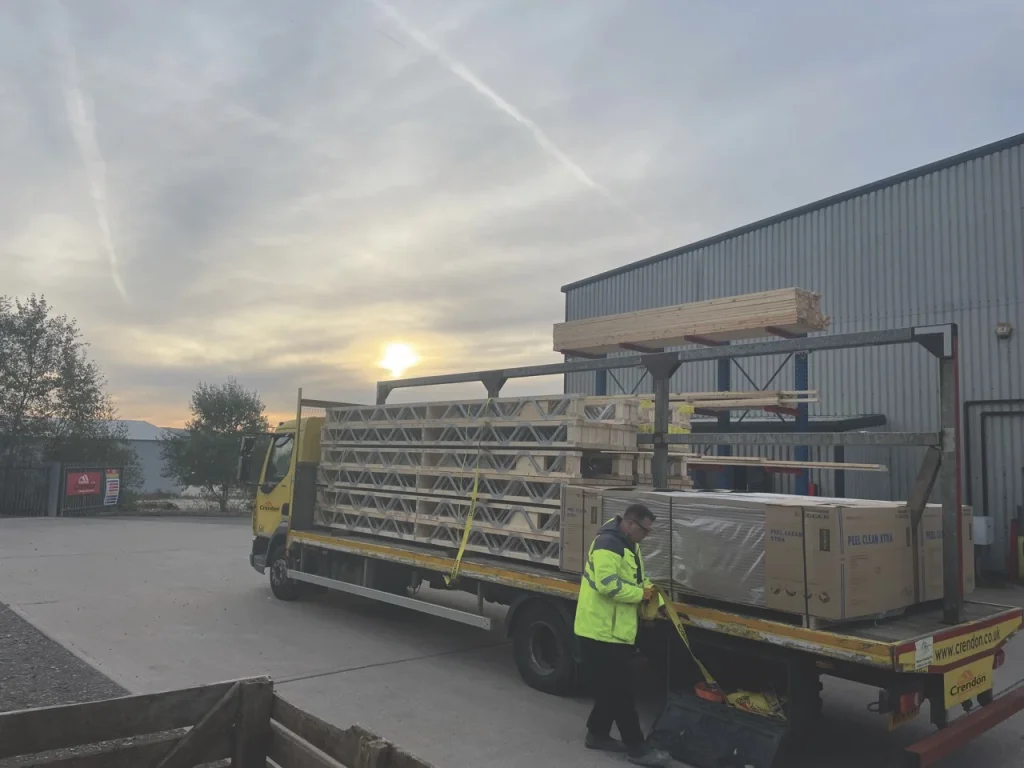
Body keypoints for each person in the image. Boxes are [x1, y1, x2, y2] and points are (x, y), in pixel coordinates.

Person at [573, 503, 671, 767]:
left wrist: (652, 593)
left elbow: (636, 577)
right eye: (645, 530)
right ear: (629, 523)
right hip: (600, 631)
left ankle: (597, 734)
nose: (646, 536)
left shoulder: (629, 544)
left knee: (610, 688)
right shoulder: (608, 545)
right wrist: (640, 595)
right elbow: (608, 585)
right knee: (621, 692)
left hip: (615, 630)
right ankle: (638, 749)